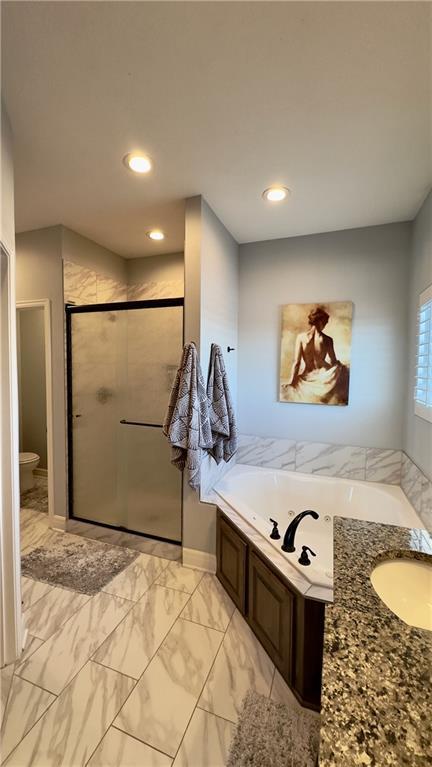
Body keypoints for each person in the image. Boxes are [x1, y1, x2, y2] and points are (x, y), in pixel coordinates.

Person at [283, 305, 349, 405]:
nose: (325, 325)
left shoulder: (301, 338)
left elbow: (296, 363)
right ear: (320, 322)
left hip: (306, 378)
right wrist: (339, 367)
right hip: (323, 378)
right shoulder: (327, 340)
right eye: (325, 323)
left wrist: (292, 382)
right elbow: (333, 362)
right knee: (344, 369)